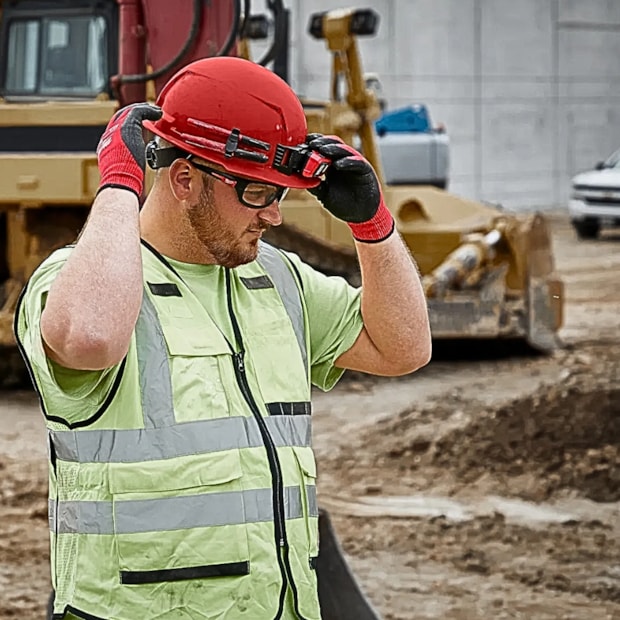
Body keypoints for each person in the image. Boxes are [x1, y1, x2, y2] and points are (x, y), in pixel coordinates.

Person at [15, 56, 431, 620]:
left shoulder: (279, 279)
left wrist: (373, 225)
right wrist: (118, 184)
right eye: (259, 193)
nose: (276, 216)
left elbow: (404, 347)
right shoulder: (81, 283)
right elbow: (88, 338)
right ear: (185, 180)